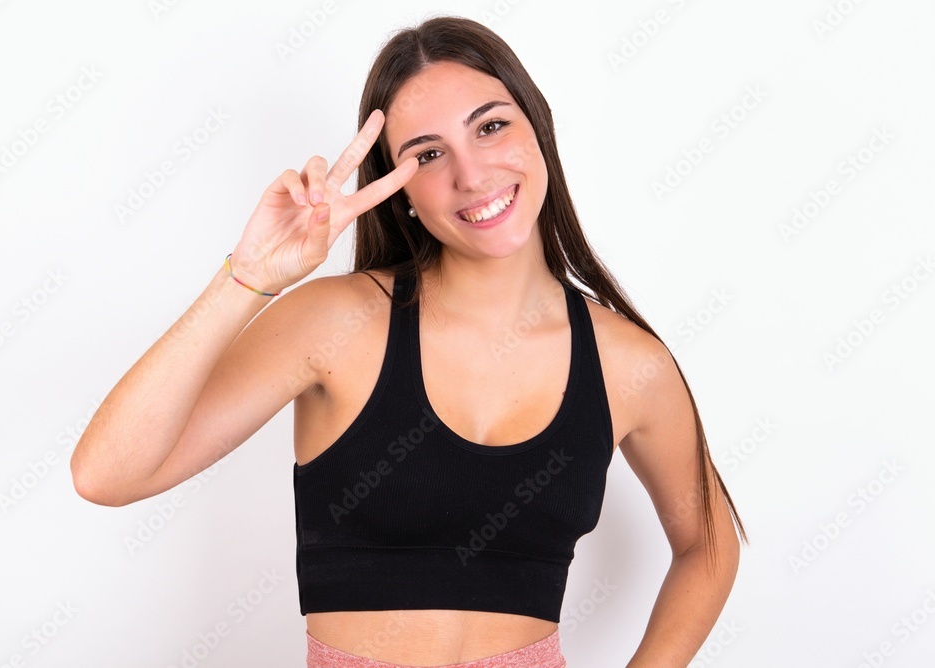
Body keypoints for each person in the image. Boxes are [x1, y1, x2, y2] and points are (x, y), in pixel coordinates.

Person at [71, 15, 747, 668]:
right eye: (428, 154)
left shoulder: (629, 363)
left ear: (537, 127)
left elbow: (709, 546)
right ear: (401, 193)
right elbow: (108, 474)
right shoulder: (336, 323)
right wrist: (247, 277)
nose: (473, 173)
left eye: (490, 126)